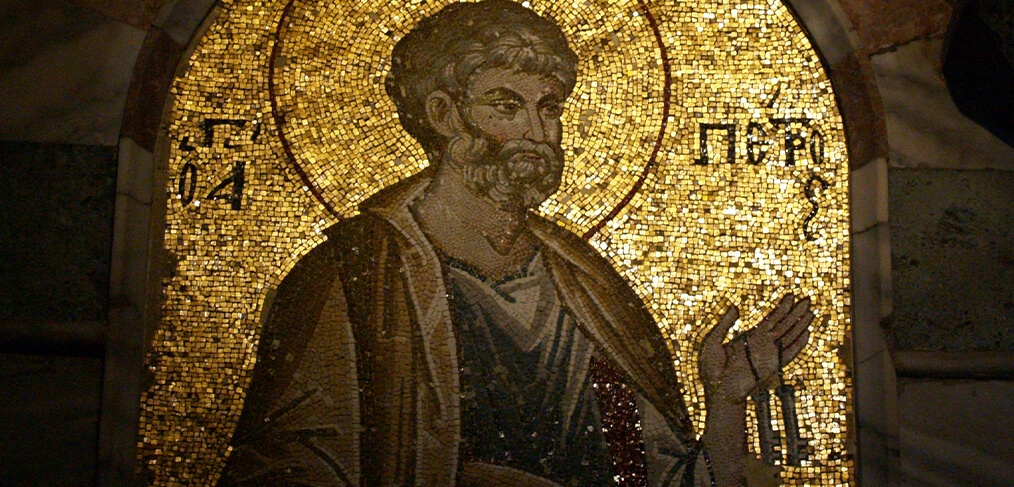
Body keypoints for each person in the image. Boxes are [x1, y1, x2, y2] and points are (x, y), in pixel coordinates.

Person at [218, 1, 813, 486]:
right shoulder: (354, 277)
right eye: (507, 105)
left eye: (549, 108)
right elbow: (287, 469)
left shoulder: (586, 290)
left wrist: (726, 401)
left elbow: (648, 476)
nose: (537, 131)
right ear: (444, 114)